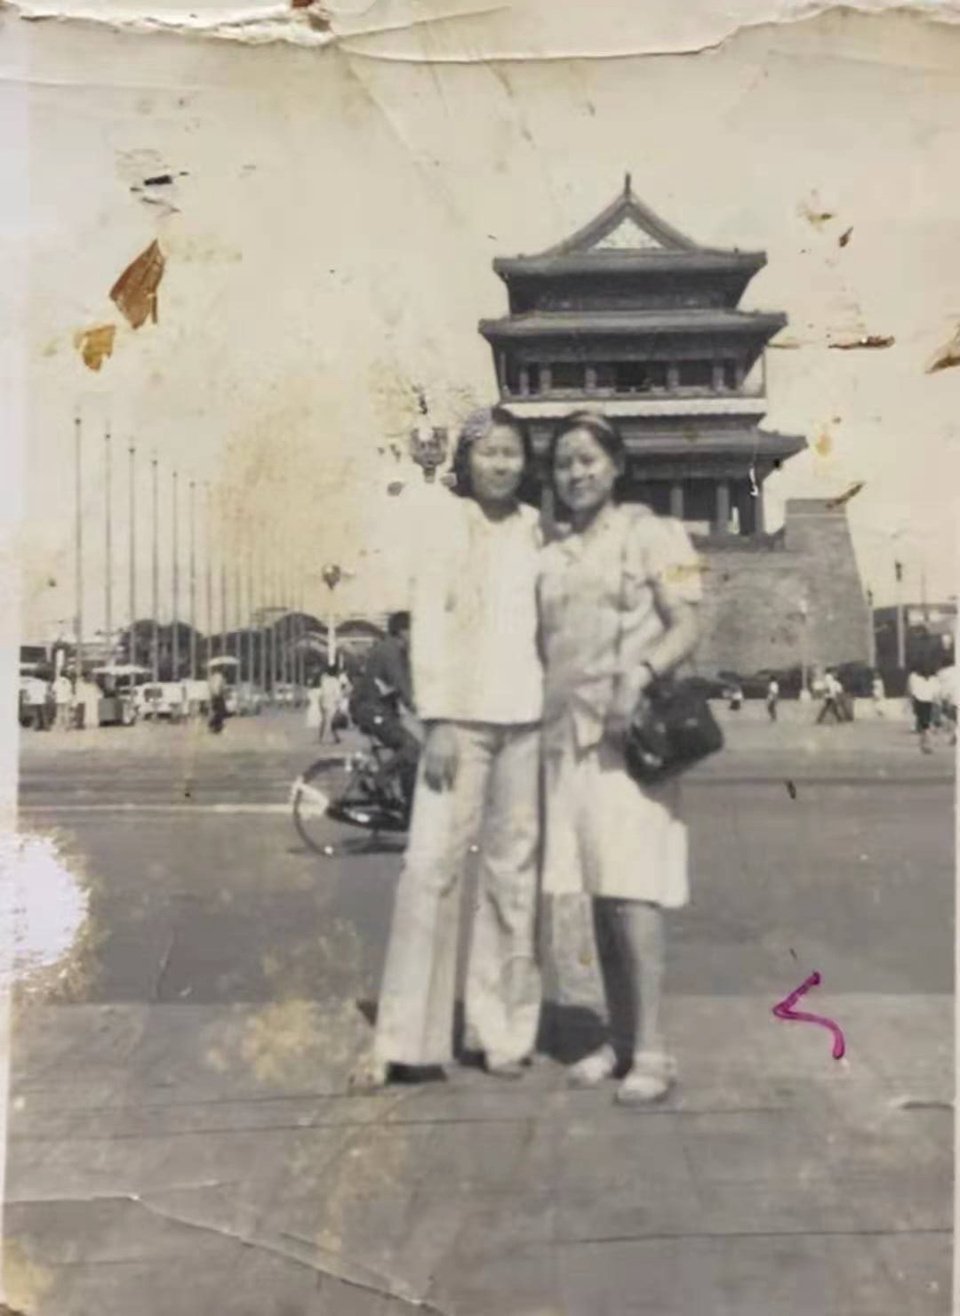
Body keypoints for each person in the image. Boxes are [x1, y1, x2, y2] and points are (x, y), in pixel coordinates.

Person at [354, 406, 544, 1088]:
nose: (501, 465)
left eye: (512, 453)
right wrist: (433, 718)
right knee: (429, 870)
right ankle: (409, 1038)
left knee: (513, 877)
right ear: (466, 461)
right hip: (456, 722)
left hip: (525, 719)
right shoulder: (442, 521)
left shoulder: (533, 530)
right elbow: (428, 616)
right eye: (489, 453)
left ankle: (501, 1032)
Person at [537, 411, 702, 1106]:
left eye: (589, 460)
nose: (577, 473)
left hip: (628, 737)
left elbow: (690, 622)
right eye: (565, 463)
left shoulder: (656, 533)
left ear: (618, 465)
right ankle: (621, 1037)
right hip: (565, 743)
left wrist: (636, 678)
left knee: (633, 891)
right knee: (599, 896)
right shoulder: (553, 552)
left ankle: (655, 1051)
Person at [349, 613, 420, 807]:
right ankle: (378, 778)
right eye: (414, 630)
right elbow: (404, 688)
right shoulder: (390, 651)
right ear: (403, 631)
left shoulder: (399, 651)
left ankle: (408, 806)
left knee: (409, 752)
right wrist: (423, 711)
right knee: (412, 748)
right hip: (370, 710)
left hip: (380, 710)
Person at [907, 664, 938, 754]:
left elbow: (913, 692)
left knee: (924, 725)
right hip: (929, 703)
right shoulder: (933, 680)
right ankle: (925, 745)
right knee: (926, 725)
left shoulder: (916, 680)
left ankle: (925, 745)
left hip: (920, 703)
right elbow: (936, 693)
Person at [317, 663, 345, 743]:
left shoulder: (324, 681)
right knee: (333, 722)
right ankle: (335, 737)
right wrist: (339, 705)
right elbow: (338, 695)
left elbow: (321, 692)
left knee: (324, 720)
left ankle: (321, 737)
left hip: (324, 702)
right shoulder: (336, 682)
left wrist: (320, 703)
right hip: (332, 704)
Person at [208, 666, 227, 733]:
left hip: (213, 696)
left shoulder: (212, 677)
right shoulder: (220, 677)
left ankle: (215, 726)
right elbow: (220, 687)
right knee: (221, 711)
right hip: (218, 695)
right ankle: (214, 724)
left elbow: (210, 686)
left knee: (216, 711)